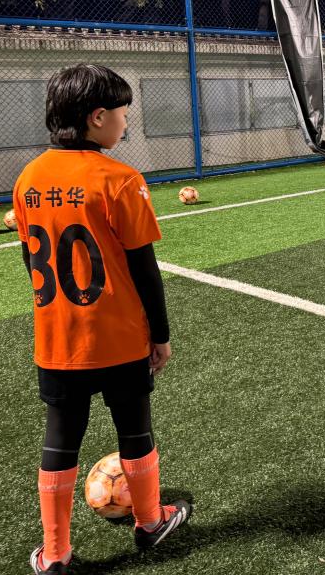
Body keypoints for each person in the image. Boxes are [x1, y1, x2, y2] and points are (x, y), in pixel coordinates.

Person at [14, 64, 192, 574]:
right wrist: (161, 335)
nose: (126, 123)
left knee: (59, 439)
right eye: (123, 114)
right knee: (134, 429)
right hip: (118, 338)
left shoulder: (29, 179)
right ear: (97, 117)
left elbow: (29, 259)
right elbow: (145, 271)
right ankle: (150, 522)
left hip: (58, 339)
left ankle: (55, 554)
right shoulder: (120, 180)